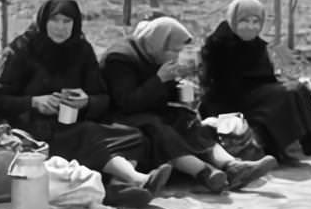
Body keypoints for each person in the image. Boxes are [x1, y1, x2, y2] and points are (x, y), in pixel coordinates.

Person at [0, 0, 173, 208]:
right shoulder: (22, 50)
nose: (61, 28)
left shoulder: (81, 50)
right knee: (88, 135)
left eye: (67, 22)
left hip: (72, 123)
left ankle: (116, 186)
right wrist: (34, 101)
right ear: (43, 21)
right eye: (55, 20)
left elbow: (103, 98)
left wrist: (86, 102)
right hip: (33, 132)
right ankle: (138, 179)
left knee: (134, 136)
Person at [100, 16, 278, 193]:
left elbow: (161, 94)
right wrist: (159, 79)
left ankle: (231, 165)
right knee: (156, 126)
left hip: (147, 110)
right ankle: (204, 172)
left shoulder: (153, 54)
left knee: (186, 118)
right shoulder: (120, 58)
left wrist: (178, 88)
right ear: (158, 43)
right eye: (173, 51)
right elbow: (127, 102)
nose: (176, 56)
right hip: (119, 116)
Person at [199, 0, 311, 163]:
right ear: (233, 19)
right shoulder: (217, 45)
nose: (251, 27)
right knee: (278, 100)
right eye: (244, 21)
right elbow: (213, 85)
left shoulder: (257, 45)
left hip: (254, 95)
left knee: (296, 90)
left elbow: (266, 78)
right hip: (225, 101)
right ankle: (275, 152)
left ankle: (298, 145)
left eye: (256, 21)